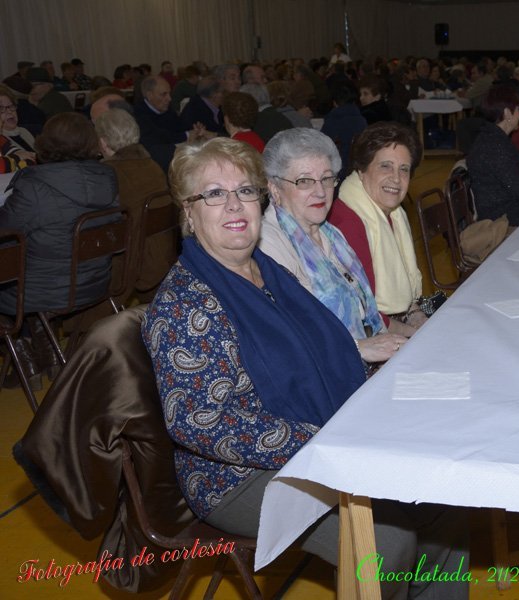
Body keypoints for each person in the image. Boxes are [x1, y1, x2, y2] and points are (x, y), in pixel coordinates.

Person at [143, 137, 467, 600]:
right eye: (213, 193)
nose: (234, 205)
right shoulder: (184, 305)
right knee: (386, 546)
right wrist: (319, 442)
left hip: (319, 432)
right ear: (188, 212)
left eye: (245, 191)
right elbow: (199, 422)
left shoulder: (268, 271)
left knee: (442, 501)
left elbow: (324, 348)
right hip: (234, 475)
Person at [259, 127, 408, 367]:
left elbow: (366, 315)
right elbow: (286, 340)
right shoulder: (268, 245)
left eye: (327, 179)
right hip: (329, 373)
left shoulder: (330, 233)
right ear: (275, 188)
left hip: (368, 359)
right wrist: (358, 348)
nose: (320, 192)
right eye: (304, 181)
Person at [0, 112, 119, 384]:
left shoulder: (34, 185)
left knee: (12, 268)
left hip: (44, 290)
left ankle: (23, 359)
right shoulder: (107, 176)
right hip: (94, 280)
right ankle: (49, 352)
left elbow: (5, 229)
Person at [329, 122, 426, 338]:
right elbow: (364, 314)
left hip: (394, 319)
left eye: (404, 169)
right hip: (364, 336)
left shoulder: (393, 215)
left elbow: (405, 289)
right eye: (385, 166)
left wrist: (416, 314)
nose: (396, 178)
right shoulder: (347, 223)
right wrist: (415, 334)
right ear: (361, 170)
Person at [94, 108, 175, 302]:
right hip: (160, 258)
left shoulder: (107, 175)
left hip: (126, 267)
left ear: (103, 142)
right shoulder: (153, 166)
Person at [467, 85, 519, 226]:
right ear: (507, 113)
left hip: (506, 208)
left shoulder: (491, 138)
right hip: (502, 217)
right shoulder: (495, 146)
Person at [0, 84, 35, 159]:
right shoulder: (1, 140)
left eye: (11, 106)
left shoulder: (24, 131)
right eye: (1, 108)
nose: (9, 111)